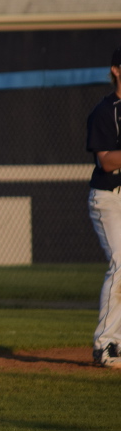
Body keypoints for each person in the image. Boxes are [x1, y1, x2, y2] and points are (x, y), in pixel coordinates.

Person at [86, 44, 121, 369]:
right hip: (108, 198)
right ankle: (105, 346)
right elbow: (107, 162)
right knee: (120, 263)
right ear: (116, 70)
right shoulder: (105, 110)